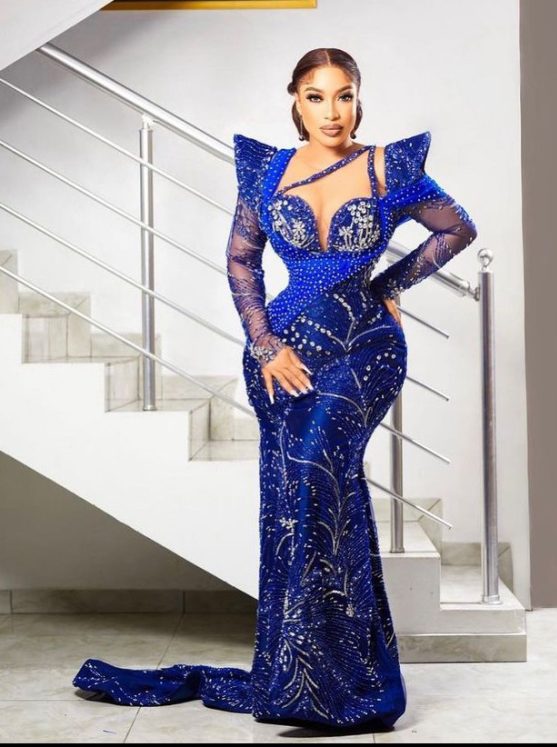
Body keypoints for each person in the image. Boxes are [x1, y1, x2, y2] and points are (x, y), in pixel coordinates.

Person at [72, 47, 477, 732]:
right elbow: (241, 257)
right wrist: (264, 343)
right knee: (300, 500)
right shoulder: (266, 170)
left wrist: (389, 284)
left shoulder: (389, 167)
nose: (333, 112)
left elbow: (458, 227)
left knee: (318, 476)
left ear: (359, 98)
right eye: (317, 97)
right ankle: (308, 677)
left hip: (365, 347)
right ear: (296, 99)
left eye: (345, 96)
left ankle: (344, 685)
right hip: (283, 358)